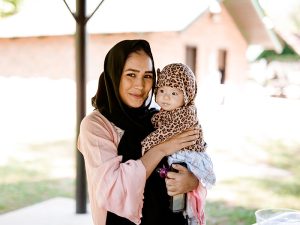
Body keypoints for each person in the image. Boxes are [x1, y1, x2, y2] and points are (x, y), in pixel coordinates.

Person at [77, 39, 206, 225]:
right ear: (114, 75)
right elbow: (114, 190)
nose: (140, 85)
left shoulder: (160, 118)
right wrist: (160, 149)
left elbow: (194, 158)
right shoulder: (96, 125)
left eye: (147, 76)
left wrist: (193, 181)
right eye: (131, 74)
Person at [141, 63, 216, 225]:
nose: (166, 97)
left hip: (188, 156)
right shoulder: (165, 111)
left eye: (174, 93)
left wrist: (147, 143)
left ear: (187, 95)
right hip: (176, 156)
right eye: (162, 91)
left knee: (185, 202)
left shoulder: (185, 113)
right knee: (178, 198)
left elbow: (165, 133)